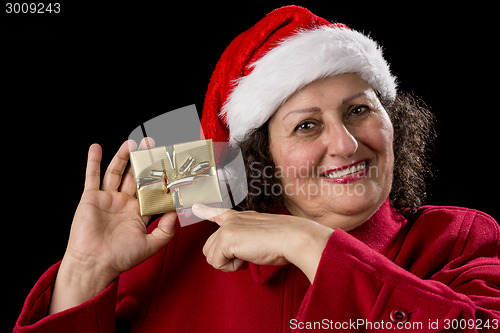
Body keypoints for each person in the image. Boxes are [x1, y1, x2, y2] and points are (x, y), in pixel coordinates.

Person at [15, 5, 500, 332]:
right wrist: (85, 272)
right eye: (307, 126)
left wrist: (308, 242)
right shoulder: (170, 253)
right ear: (262, 155)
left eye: (358, 110)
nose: (346, 143)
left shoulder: (458, 239)